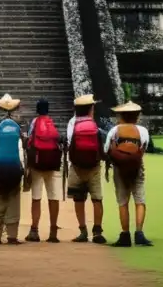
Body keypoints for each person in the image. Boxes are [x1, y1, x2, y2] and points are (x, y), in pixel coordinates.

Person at [104, 100, 153, 247]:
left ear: (122, 116)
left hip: (119, 168)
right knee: (139, 199)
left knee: (122, 201)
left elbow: (107, 149)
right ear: (136, 116)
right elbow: (144, 148)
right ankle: (139, 234)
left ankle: (125, 235)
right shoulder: (142, 131)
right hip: (137, 167)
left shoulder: (115, 131)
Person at [65, 93, 106, 244]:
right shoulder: (93, 123)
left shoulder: (72, 123)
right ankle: (97, 231)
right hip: (94, 167)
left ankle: (83, 231)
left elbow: (70, 143)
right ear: (90, 109)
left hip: (76, 167)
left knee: (78, 199)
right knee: (97, 199)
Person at [0, 94, 25, 244]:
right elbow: (21, 152)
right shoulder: (17, 129)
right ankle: (11, 236)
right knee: (13, 199)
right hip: (14, 167)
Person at [24, 98, 63, 243]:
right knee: (53, 197)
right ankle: (53, 232)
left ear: (37, 109)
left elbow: (29, 140)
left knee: (36, 197)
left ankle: (34, 230)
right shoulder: (51, 122)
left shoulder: (35, 122)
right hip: (52, 163)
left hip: (37, 163)